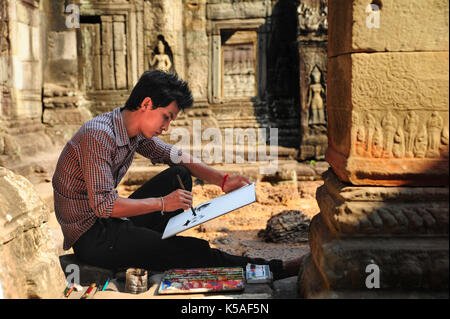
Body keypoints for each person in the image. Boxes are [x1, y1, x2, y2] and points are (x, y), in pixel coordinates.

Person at [52, 70, 302, 280]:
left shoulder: (131, 130)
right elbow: (104, 206)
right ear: (147, 104)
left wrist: (222, 181)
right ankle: (275, 270)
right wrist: (163, 203)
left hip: (111, 223)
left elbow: (175, 156)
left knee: (178, 174)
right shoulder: (99, 135)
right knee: (192, 250)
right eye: (166, 117)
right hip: (93, 237)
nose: (166, 126)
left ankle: (148, 245)